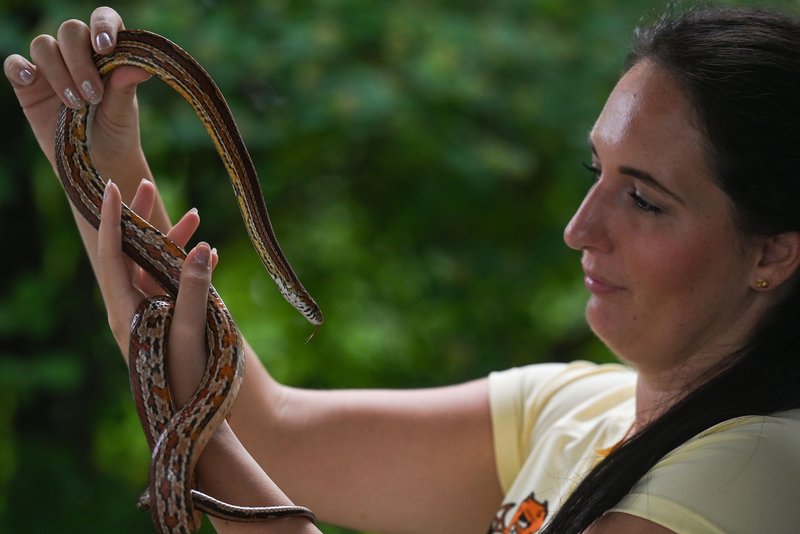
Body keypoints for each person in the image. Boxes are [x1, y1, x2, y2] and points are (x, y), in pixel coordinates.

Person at [5, 4, 800, 533]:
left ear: (773, 249)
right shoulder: (584, 409)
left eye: (647, 200)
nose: (579, 229)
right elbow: (272, 433)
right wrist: (101, 163)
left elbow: (229, 434)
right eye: (596, 171)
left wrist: (177, 398)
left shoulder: (759, 474)